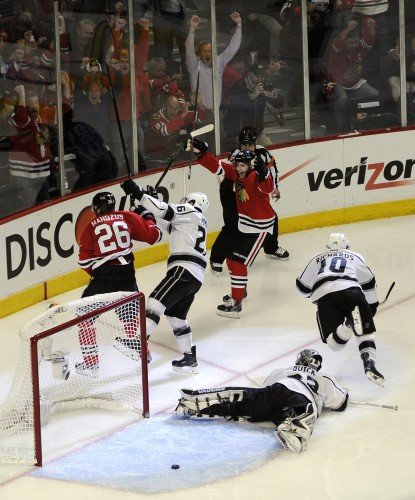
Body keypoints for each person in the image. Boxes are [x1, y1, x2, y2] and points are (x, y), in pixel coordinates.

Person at [175, 348, 348, 453]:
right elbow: (340, 403)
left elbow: (266, 388)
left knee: (247, 403)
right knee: (298, 410)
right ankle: (294, 422)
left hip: (278, 389)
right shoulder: (323, 377)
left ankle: (197, 406)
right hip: (302, 398)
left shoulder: (283, 370)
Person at [120, 179, 208, 374]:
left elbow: (163, 210)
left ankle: (137, 341)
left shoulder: (189, 211)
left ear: (191, 202)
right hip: (195, 275)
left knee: (155, 302)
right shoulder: (197, 221)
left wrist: (139, 193)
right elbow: (166, 223)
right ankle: (189, 359)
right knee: (176, 317)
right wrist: (145, 210)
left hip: (183, 269)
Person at [76, 191, 163, 376]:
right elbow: (154, 236)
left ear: (96, 209)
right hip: (127, 274)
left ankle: (91, 364)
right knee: (130, 316)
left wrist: (97, 274)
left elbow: (84, 262)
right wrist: (146, 215)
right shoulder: (127, 216)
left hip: (103, 277)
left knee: (84, 317)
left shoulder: (91, 226)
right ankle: (145, 354)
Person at [187, 137, 275, 319]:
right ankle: (240, 290)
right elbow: (217, 166)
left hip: (260, 227)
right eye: (238, 165)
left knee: (237, 262)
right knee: (230, 259)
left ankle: (236, 303)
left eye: (243, 166)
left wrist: (264, 172)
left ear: (250, 166)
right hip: (245, 225)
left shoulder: (257, 176)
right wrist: (202, 153)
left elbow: (268, 188)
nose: (239, 169)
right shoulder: (236, 173)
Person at [296, 232, 384, 386]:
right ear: (347, 246)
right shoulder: (355, 256)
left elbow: (301, 288)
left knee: (334, 345)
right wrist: (372, 305)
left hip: (324, 296)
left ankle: (347, 325)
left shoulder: (316, 257)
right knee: (365, 334)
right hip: (352, 291)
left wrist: (315, 292)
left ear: (327, 246)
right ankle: (369, 363)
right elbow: (369, 282)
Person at [210, 126, 289, 277]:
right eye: (244, 145)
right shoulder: (236, 155)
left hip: (252, 190)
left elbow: (272, 171)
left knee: (271, 218)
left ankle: (271, 248)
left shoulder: (263, 153)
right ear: (240, 144)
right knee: (232, 224)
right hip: (232, 190)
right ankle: (216, 259)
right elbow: (236, 177)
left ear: (255, 143)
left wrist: (275, 188)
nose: (247, 148)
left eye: (250, 145)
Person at [185, 13, 242, 121]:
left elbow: (233, 47)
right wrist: (192, 29)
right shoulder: (194, 65)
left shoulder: (219, 62)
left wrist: (238, 26)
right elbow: (189, 50)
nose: (207, 54)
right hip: (199, 112)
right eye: (204, 51)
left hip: (216, 113)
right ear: (200, 54)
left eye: (210, 51)